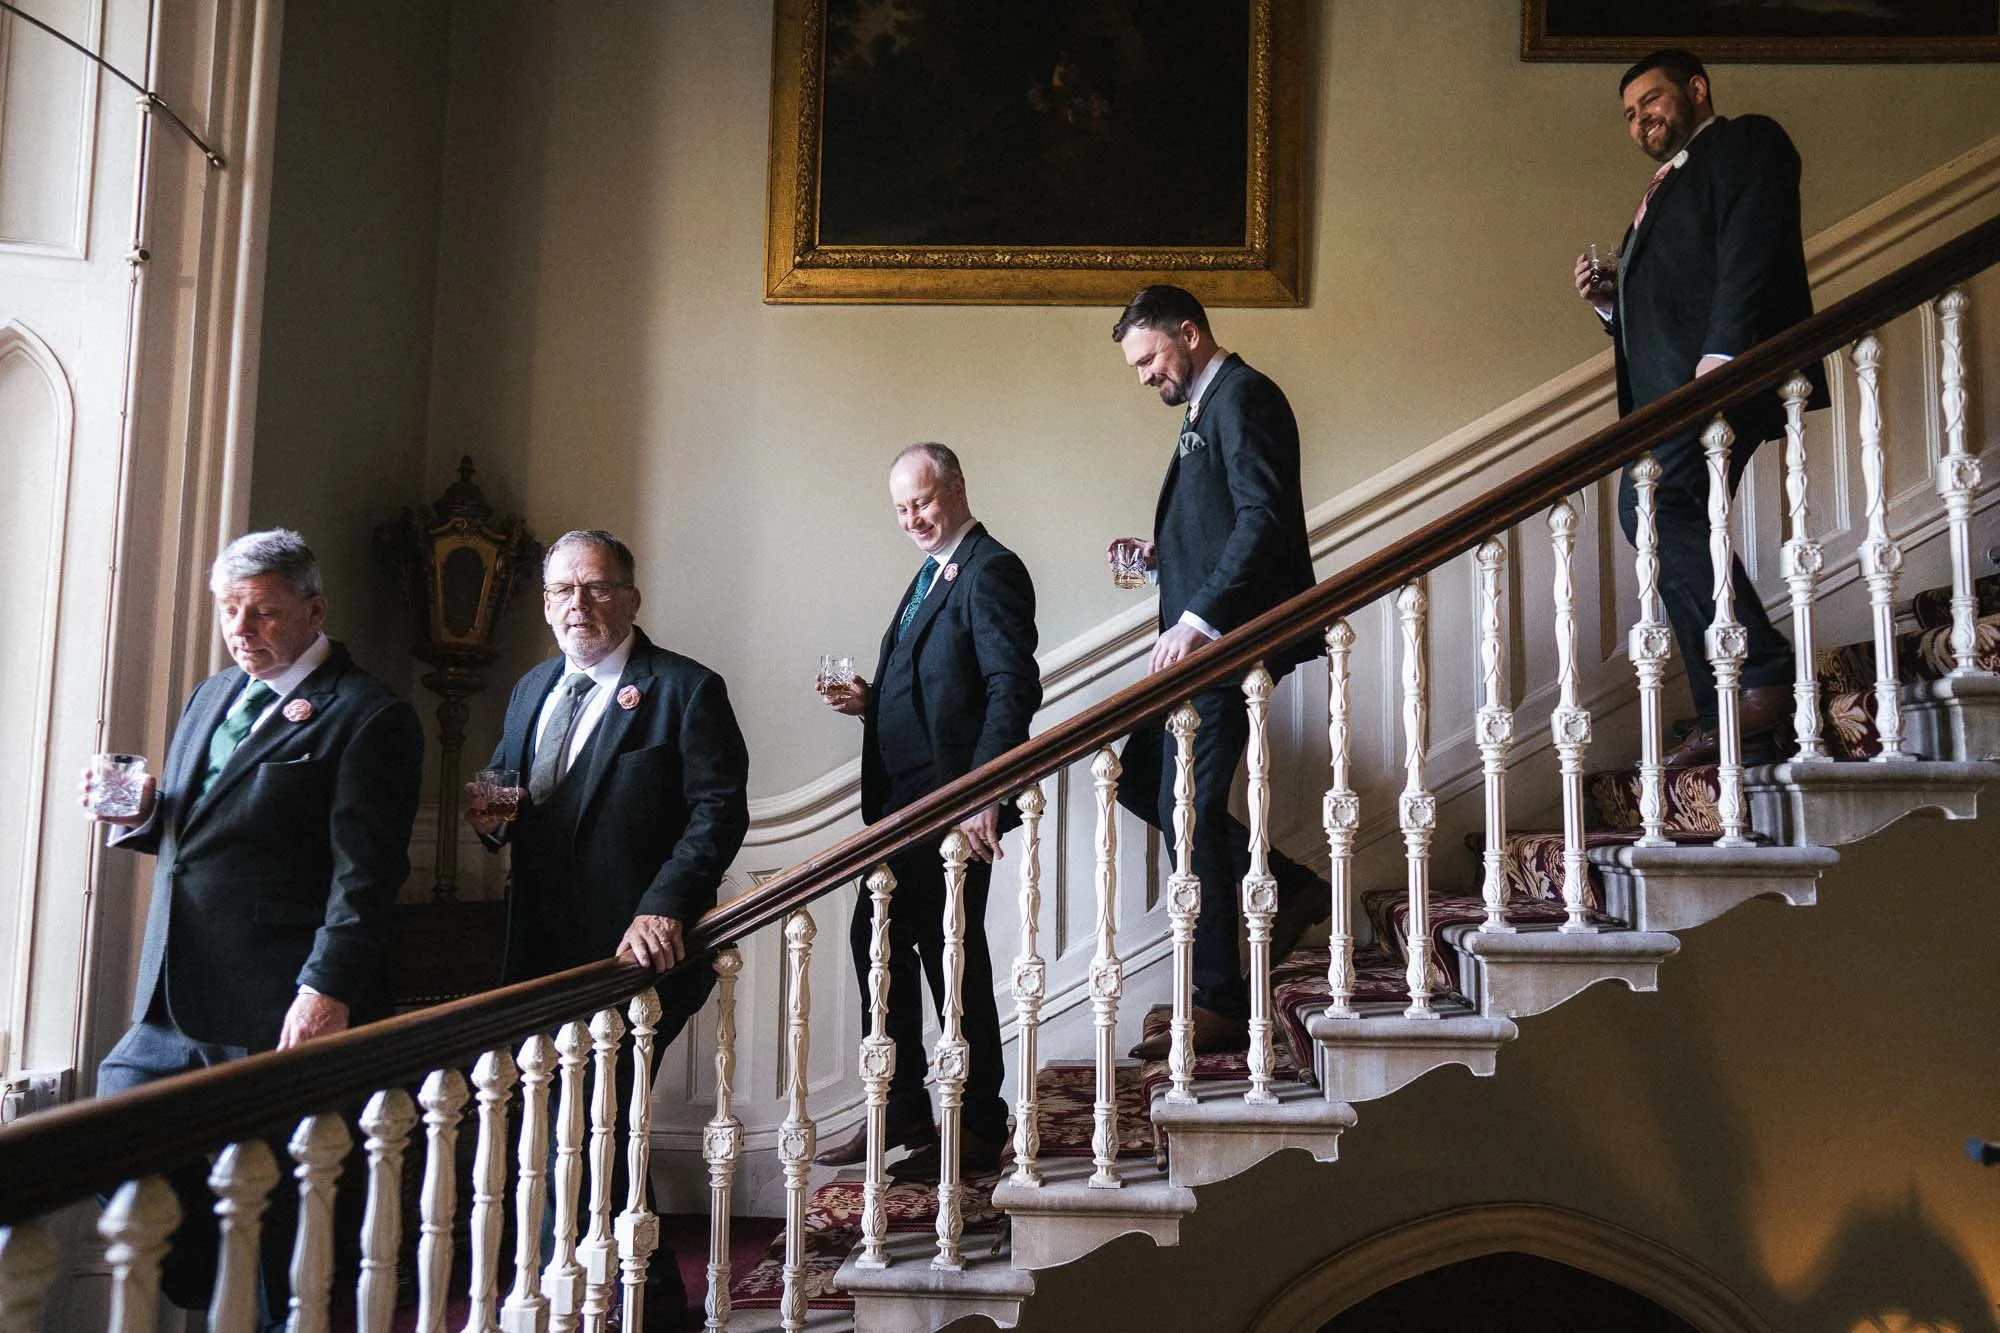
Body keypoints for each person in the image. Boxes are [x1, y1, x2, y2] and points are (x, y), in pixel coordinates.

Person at [85, 528, 424, 1320]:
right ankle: (208, 1289)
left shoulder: (369, 715)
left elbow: (366, 875)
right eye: (230, 611)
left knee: (276, 1218)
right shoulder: (211, 695)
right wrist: (138, 815)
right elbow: (195, 831)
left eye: (264, 612)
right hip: (170, 995)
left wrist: (325, 987)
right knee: (111, 1139)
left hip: (278, 1003)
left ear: (314, 609)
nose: (242, 629)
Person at [469, 528, 749, 1328]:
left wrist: (665, 902)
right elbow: (505, 786)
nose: (576, 605)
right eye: (561, 591)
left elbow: (716, 811)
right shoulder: (530, 690)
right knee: (572, 1118)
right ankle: (619, 1280)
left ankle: (640, 1290)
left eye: (593, 588)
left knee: (604, 1108)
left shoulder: (685, 689)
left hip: (637, 954)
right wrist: (488, 812)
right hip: (540, 952)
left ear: (630, 597)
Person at [1574, 48, 1827, 767]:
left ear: (1695, 89)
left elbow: (1752, 249)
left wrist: (1723, 355)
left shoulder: (1747, 141)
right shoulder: (1663, 188)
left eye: (1650, 101)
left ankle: (1766, 675)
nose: (1640, 120)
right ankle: (1728, 706)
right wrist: (1609, 306)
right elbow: (1665, 308)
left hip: (1720, 375)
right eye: (1628, 114)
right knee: (1653, 516)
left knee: (1649, 510)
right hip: (1670, 396)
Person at [1106, 284, 1330, 1060]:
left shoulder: (1244, 395)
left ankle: (1219, 999)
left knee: (1191, 810)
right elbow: (1222, 519)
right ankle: (1285, 880)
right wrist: (1158, 554)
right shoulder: (1207, 405)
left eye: (1149, 357)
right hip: (1198, 647)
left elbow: (1264, 516)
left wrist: (1198, 620)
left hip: (1224, 647)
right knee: (1145, 784)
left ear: (1190, 334)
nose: (1143, 376)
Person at [815, 443, 1041, 1181]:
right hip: (904, 809)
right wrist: (871, 701)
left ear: (957, 487)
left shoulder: (989, 569)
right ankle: (908, 1105)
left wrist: (988, 792)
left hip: (952, 809)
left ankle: (976, 1120)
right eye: (902, 508)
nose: (912, 517)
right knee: (878, 934)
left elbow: (1011, 686)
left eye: (922, 500)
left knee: (952, 952)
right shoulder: (929, 575)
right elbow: (935, 689)